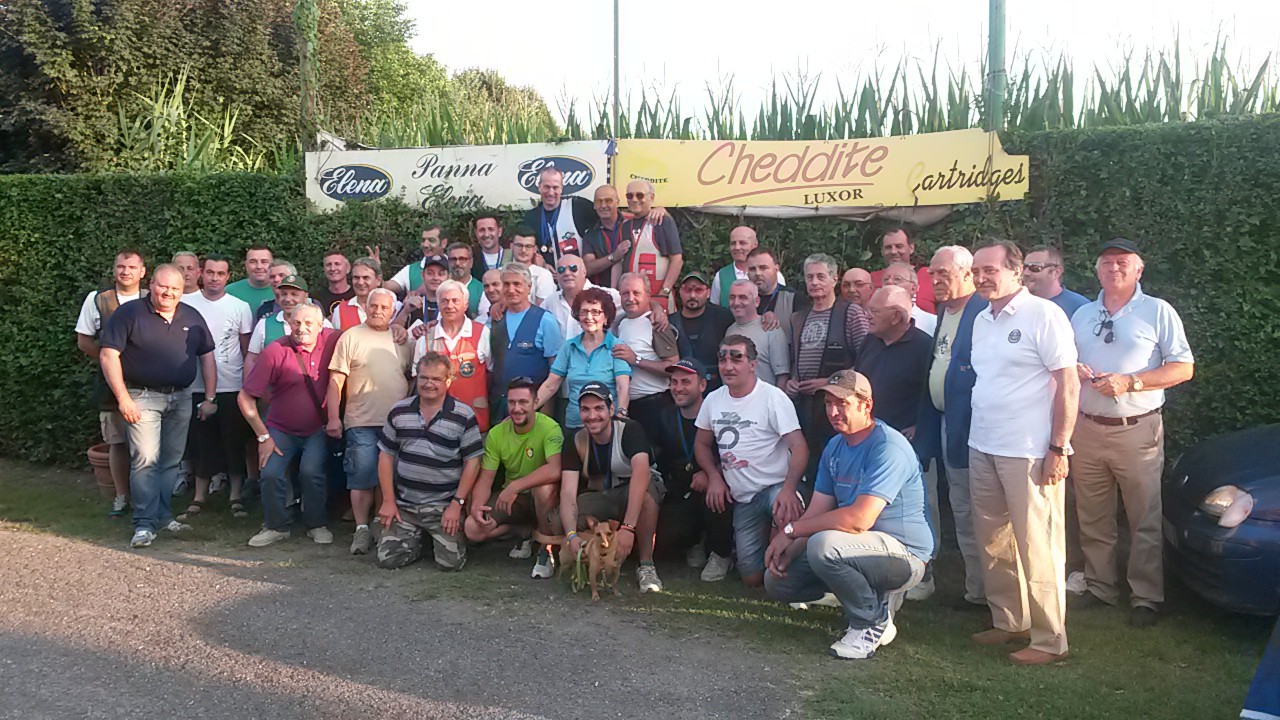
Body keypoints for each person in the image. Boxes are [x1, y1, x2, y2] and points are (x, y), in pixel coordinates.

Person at [763, 370, 933, 660]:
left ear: (866, 406)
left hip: (905, 555)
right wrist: (787, 545)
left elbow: (858, 520)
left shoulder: (888, 447)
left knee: (823, 545)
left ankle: (871, 623)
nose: (832, 411)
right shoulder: (835, 446)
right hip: (857, 548)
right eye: (828, 403)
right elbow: (818, 509)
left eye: (842, 403)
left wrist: (792, 530)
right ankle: (871, 602)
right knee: (777, 580)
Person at [1070, 238, 1194, 627]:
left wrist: (1131, 383)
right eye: (1107, 263)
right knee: (1092, 516)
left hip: (1137, 430)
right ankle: (1101, 587)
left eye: (1123, 262)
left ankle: (1145, 596)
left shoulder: (1158, 311)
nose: (1114, 269)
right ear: (1097, 270)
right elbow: (1065, 362)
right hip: (1087, 429)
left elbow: (1183, 367)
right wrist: (1073, 369)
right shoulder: (1082, 314)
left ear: (1139, 270)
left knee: (1144, 517)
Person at [968, 240, 1079, 666]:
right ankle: (1010, 620)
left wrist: (1059, 446)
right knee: (994, 540)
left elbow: (1068, 385)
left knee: (1039, 544)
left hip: (1029, 450)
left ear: (1017, 272)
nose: (981, 277)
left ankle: (1052, 639)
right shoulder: (982, 319)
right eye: (976, 270)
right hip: (983, 443)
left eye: (990, 270)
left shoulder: (1044, 315)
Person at [99, 264, 216, 549]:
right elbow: (108, 354)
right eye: (163, 286)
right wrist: (123, 398)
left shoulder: (191, 315)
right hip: (142, 397)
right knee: (145, 460)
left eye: (175, 289)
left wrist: (210, 397)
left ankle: (163, 517)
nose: (168, 293)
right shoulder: (129, 314)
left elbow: (208, 356)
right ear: (151, 284)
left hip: (181, 397)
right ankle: (143, 524)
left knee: (171, 462)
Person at [695, 335, 808, 587]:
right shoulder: (713, 399)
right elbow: (701, 444)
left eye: (737, 357)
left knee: (785, 510)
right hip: (743, 498)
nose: (728, 365)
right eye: (722, 358)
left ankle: (795, 574)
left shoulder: (773, 397)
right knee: (752, 578)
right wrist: (714, 476)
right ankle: (761, 555)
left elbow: (799, 446)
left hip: (775, 488)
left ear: (753, 364)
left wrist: (789, 489)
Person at [914, 245, 989, 607]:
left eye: (943, 273)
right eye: (932, 274)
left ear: (967, 273)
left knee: (980, 511)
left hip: (977, 430)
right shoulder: (946, 311)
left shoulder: (984, 312)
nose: (935, 280)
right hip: (946, 424)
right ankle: (976, 589)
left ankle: (988, 592)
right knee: (961, 507)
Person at [237, 303, 339, 548]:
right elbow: (245, 397)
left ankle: (316, 524)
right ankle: (276, 526)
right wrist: (263, 437)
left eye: (308, 323)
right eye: (296, 323)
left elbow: (363, 335)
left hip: (317, 428)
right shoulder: (276, 350)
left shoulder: (333, 340)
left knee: (311, 471)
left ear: (321, 325)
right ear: (289, 324)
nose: (301, 328)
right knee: (271, 473)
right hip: (280, 428)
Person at [374, 352, 484, 571]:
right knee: (388, 559)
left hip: (444, 507)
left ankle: (437, 538)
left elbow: (473, 461)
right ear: (416, 377)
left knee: (449, 565)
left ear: (448, 381)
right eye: (424, 378)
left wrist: (457, 504)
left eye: (436, 379)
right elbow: (386, 456)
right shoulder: (399, 411)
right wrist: (388, 500)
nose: (429, 384)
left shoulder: (463, 415)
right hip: (406, 505)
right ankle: (419, 539)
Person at [326, 288, 414, 555]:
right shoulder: (350, 336)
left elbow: (411, 377)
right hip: (361, 420)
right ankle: (361, 529)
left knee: (390, 478)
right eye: (373, 306)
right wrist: (333, 417)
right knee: (361, 476)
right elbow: (335, 380)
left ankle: (382, 525)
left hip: (396, 424)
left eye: (384, 308)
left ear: (393, 311)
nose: (377, 311)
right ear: (366, 308)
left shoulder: (402, 339)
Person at [560, 381, 665, 594]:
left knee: (645, 498)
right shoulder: (576, 439)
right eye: (585, 409)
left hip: (635, 488)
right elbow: (568, 492)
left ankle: (646, 565)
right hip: (605, 494)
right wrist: (571, 535)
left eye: (599, 408)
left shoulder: (630, 429)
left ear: (611, 409)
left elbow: (641, 473)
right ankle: (592, 558)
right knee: (560, 519)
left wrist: (628, 527)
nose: (592, 416)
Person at [178, 253, 255, 521]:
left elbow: (247, 350)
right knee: (201, 442)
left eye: (220, 274)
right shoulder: (186, 303)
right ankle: (199, 496)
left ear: (228, 276)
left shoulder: (240, 307)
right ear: (201, 273)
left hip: (231, 385)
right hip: (194, 385)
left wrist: (247, 384)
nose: (214, 278)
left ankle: (235, 495)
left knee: (233, 441)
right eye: (210, 272)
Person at [465, 378, 565, 577]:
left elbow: (555, 470)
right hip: (513, 501)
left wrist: (515, 487)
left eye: (523, 402)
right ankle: (523, 531)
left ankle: (546, 550)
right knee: (472, 528)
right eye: (512, 402)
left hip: (542, 498)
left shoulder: (550, 428)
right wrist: (477, 506)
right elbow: (486, 479)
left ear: (535, 403)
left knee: (543, 489)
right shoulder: (497, 433)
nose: (517, 408)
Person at [75, 249, 147, 517]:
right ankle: (121, 496)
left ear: (142, 271)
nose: (125, 271)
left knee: (148, 444)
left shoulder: (153, 298)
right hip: (111, 385)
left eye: (131, 267)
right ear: (114, 270)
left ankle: (148, 496)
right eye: (120, 266)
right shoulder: (97, 301)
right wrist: (111, 361)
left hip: (149, 382)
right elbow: (84, 342)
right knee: (117, 442)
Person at [786, 253, 871, 479]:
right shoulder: (798, 318)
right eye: (810, 277)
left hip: (840, 406)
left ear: (835, 279)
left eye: (820, 276)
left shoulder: (851, 313)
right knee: (812, 467)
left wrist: (830, 383)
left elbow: (866, 359)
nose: (814, 282)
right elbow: (795, 358)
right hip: (806, 406)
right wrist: (793, 381)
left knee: (840, 467)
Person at [650, 359, 735, 581]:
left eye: (686, 382)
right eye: (674, 382)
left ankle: (721, 553)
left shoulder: (721, 413)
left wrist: (711, 473)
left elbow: (735, 454)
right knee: (666, 538)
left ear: (702, 386)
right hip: (681, 488)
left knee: (719, 495)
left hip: (718, 482)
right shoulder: (665, 415)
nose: (678, 388)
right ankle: (696, 541)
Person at [535, 287, 631, 431]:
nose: (589, 317)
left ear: (606, 318)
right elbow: (551, 384)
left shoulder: (616, 346)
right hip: (574, 424)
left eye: (595, 312)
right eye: (584, 312)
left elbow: (622, 387)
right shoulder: (569, 346)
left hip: (607, 426)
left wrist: (621, 414)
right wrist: (529, 409)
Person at [413, 279, 492, 432]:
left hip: (474, 420)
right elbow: (417, 379)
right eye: (444, 301)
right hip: (435, 423)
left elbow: (491, 372)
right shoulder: (425, 338)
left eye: (455, 301)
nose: (449, 306)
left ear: (466, 304)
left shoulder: (482, 333)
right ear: (438, 304)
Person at [488, 263, 563, 419]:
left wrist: (546, 408)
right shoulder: (494, 319)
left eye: (517, 284)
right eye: (506, 284)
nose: (511, 289)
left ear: (529, 287)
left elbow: (555, 371)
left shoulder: (545, 320)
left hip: (535, 408)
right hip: (500, 406)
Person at [859, 287, 932, 434]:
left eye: (875, 311)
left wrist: (920, 427)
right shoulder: (869, 341)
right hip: (866, 434)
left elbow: (931, 397)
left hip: (902, 439)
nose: (867, 316)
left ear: (896, 317)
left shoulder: (924, 347)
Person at [614, 273, 681, 429]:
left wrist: (636, 360)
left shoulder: (657, 324)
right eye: (625, 293)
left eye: (636, 293)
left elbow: (674, 367)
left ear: (648, 295)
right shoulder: (620, 322)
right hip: (628, 406)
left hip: (655, 405)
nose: (630, 298)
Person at [245, 274, 325, 379]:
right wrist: (248, 391)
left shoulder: (321, 323)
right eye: (283, 294)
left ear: (306, 296)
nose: (288, 299)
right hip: (273, 393)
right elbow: (252, 359)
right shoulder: (264, 324)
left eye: (294, 294)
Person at [618, 180, 683, 309]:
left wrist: (664, 291)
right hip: (633, 301)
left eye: (640, 195)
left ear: (651, 197)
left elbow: (677, 259)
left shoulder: (662, 221)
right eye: (630, 196)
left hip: (658, 297)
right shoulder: (624, 226)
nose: (634, 199)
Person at [671, 271, 734, 391]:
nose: (693, 295)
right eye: (688, 290)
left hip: (717, 388)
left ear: (708, 292)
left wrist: (768, 316)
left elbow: (747, 320)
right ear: (680, 292)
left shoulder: (723, 317)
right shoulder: (670, 322)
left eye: (698, 290)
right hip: (681, 391)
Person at [523, 166, 598, 267]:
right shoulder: (531, 217)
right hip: (546, 278)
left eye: (555, 187)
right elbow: (527, 248)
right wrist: (543, 265)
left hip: (575, 276)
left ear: (561, 188)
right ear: (539, 187)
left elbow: (603, 216)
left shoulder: (577, 206)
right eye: (546, 187)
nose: (551, 192)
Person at [540, 253, 621, 341]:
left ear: (584, 271)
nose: (567, 273)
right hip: (561, 354)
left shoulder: (610, 296)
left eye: (573, 268)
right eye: (561, 270)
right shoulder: (549, 302)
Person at [726, 279, 790, 387]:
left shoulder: (771, 329)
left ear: (756, 301)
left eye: (743, 297)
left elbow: (782, 377)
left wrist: (777, 402)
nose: (736, 303)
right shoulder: (729, 331)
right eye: (732, 297)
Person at [711, 227, 785, 305]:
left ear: (755, 245)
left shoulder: (774, 275)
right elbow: (715, 309)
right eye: (733, 243)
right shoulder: (721, 276)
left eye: (742, 243)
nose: (737, 247)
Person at [870, 227, 936, 313]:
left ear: (911, 248)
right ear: (882, 251)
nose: (893, 251)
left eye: (899, 246)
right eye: (888, 247)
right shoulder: (871, 279)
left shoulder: (930, 275)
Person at [747, 247, 803, 339]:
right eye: (752, 269)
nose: (757, 273)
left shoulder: (794, 299)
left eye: (763, 268)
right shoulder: (742, 300)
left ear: (776, 269)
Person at [1023, 245, 1090, 320]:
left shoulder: (1080, 308)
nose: (1026, 273)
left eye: (1035, 267)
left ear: (1057, 272)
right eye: (1024, 267)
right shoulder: (1017, 305)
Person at [582, 184, 631, 286]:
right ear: (594, 206)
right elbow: (588, 268)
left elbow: (650, 215)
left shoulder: (631, 222)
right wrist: (614, 257)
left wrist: (661, 210)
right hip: (602, 294)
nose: (603, 205)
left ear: (617, 202)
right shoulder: (590, 234)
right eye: (599, 201)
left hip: (631, 291)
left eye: (608, 201)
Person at [331, 257, 398, 331]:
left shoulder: (394, 307)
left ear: (378, 280)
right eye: (356, 278)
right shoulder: (340, 310)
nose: (360, 282)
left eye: (366, 278)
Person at [386, 225, 447, 296]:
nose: (425, 245)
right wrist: (376, 271)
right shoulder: (410, 270)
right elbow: (385, 287)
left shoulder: (454, 266)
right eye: (423, 240)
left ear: (443, 243)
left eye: (431, 240)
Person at [882, 262, 938, 336]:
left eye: (897, 279)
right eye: (886, 279)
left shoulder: (931, 322)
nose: (889, 282)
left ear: (913, 288)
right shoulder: (874, 320)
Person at [505, 229, 557, 306]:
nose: (523, 250)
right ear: (511, 246)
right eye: (519, 245)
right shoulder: (501, 272)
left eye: (528, 246)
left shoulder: (544, 275)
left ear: (535, 249)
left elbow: (543, 307)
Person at [396, 254, 448, 328]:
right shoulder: (412, 304)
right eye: (430, 273)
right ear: (422, 275)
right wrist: (405, 312)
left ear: (449, 277)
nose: (436, 278)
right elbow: (393, 333)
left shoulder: (454, 306)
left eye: (441, 274)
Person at [226, 244, 275, 313]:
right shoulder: (230, 292)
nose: (259, 266)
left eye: (264, 262)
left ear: (273, 265)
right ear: (246, 265)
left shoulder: (284, 291)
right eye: (253, 262)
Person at [445, 241, 484, 317]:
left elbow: (484, 319)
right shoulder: (442, 287)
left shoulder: (481, 289)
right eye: (453, 259)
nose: (457, 263)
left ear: (471, 262)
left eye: (462, 259)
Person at [471, 214, 515, 280]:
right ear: (476, 233)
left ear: (499, 231)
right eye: (482, 230)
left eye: (491, 229)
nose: (486, 234)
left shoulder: (512, 256)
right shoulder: (471, 258)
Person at [313, 249, 355, 317]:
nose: (332, 268)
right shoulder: (316, 298)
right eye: (328, 265)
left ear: (348, 268)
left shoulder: (357, 295)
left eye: (337, 264)